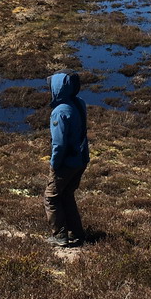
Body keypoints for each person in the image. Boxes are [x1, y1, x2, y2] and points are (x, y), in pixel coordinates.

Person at [44, 72, 90, 248]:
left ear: (58, 88)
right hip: (81, 159)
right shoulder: (79, 103)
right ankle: (77, 234)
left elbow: (59, 144)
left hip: (67, 162)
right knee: (67, 195)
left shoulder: (60, 112)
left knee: (51, 197)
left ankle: (60, 236)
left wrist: (54, 164)